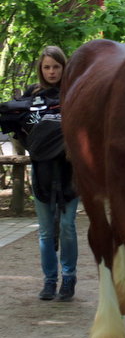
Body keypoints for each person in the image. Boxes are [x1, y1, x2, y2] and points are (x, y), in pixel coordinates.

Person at [19, 47, 79, 300]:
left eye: (56, 66)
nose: (52, 71)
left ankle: (69, 278)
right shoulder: (32, 96)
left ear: (64, 67)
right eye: (47, 67)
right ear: (41, 69)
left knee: (66, 226)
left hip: (70, 171)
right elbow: (21, 130)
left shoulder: (74, 92)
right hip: (42, 170)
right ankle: (49, 280)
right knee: (44, 230)